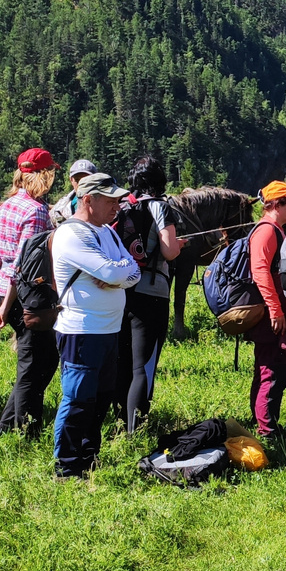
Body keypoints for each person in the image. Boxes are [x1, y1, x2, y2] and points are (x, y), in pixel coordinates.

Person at [51, 173, 141, 478]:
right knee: (78, 399)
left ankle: (89, 457)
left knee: (101, 398)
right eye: (111, 200)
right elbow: (115, 272)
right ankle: (66, 467)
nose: (118, 206)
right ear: (88, 199)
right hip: (81, 331)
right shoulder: (71, 234)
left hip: (108, 331)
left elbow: (132, 271)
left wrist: (118, 272)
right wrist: (117, 272)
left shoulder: (109, 233)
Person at [0, 149, 58, 437]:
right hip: (27, 297)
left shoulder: (4, 208)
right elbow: (23, 266)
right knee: (34, 364)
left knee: (39, 359)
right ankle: (26, 429)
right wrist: (5, 305)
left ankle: (7, 424)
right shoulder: (36, 211)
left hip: (4, 293)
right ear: (44, 175)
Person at [113, 156, 184, 433]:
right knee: (143, 363)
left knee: (123, 358)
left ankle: (119, 421)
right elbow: (168, 251)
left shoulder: (122, 206)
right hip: (152, 292)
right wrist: (179, 245)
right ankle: (136, 428)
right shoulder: (160, 207)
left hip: (121, 291)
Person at [247, 180, 286, 438]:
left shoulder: (277, 229)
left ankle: (264, 422)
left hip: (278, 310)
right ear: (276, 204)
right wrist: (275, 310)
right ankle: (267, 431)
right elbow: (260, 271)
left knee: (271, 366)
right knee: (271, 368)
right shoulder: (267, 231)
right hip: (272, 313)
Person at [49, 159, 97, 227]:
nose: (81, 184)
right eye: (77, 180)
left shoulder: (107, 204)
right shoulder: (60, 207)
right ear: (71, 180)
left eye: (86, 180)